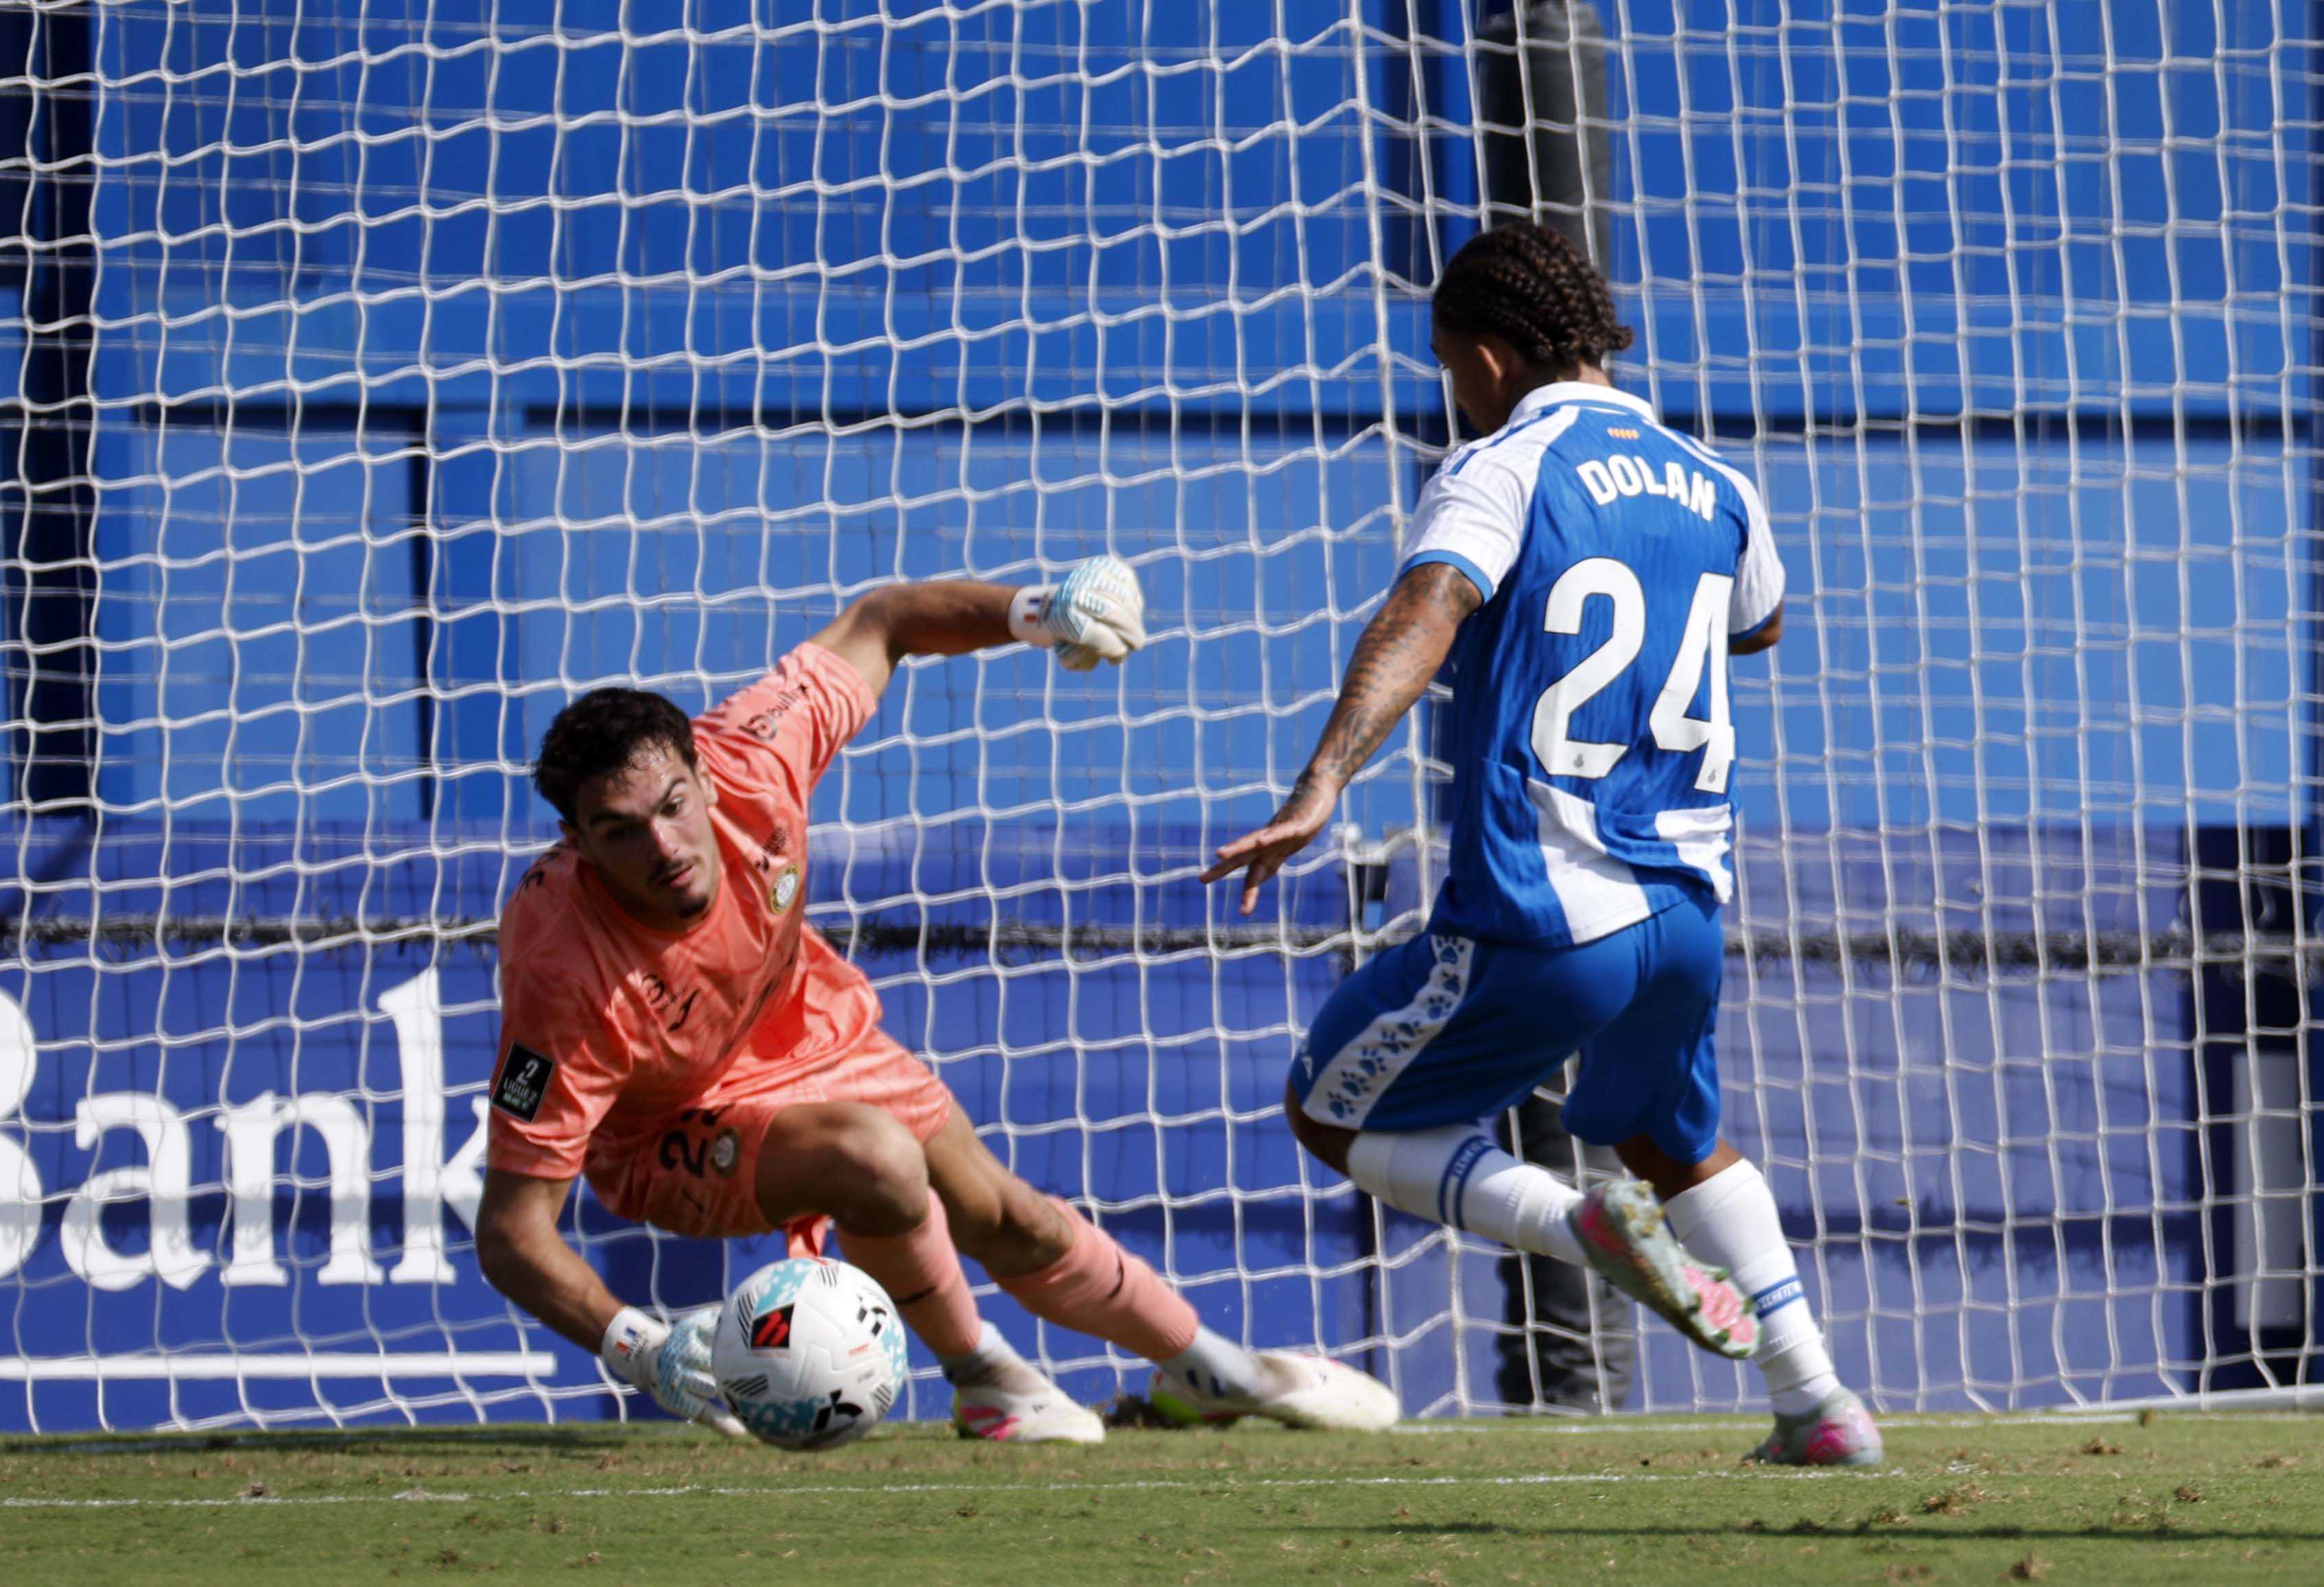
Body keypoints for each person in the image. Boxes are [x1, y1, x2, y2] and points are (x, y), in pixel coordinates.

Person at [1197, 222, 1881, 1465]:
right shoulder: (1715, 480)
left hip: (1546, 904)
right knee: (1673, 1140)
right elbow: (1762, 622)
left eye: (1448, 364)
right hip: (1684, 908)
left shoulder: (1501, 463)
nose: (1453, 390)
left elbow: (1428, 606)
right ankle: (1820, 1402)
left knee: (1326, 1109)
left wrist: (1321, 781)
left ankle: (1580, 1229)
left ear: (1489, 357)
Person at [474, 561, 1398, 1444]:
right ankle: (986, 1377)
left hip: (805, 1028)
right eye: (620, 832)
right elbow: (513, 1232)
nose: (664, 846)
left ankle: (1214, 1371)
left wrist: (1040, 610)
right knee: (874, 1156)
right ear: (577, 843)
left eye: (674, 804)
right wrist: (637, 1346)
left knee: (1011, 1216)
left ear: (705, 773)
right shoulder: (565, 971)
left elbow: (886, 620)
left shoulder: (755, 754)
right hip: (668, 1130)